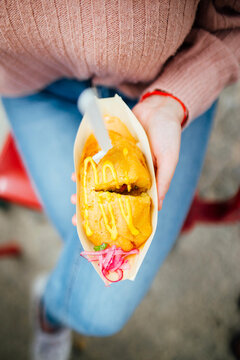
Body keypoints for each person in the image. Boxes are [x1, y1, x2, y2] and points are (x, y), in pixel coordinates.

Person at [0, 1, 239, 359]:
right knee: (93, 288)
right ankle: (51, 315)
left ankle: (51, 309)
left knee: (99, 301)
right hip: (32, 88)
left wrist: (173, 101)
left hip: (167, 80)